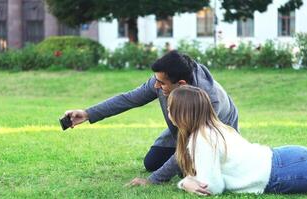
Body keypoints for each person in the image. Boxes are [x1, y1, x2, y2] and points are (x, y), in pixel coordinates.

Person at [63, 50, 239, 186]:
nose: (156, 85)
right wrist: (87, 113)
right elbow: (129, 99)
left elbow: (191, 145)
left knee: (191, 172)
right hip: (182, 129)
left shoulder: (210, 99)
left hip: (215, 136)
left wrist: (153, 181)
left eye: (161, 83)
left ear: (181, 84)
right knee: (152, 162)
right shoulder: (163, 78)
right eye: (156, 80)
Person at [168, 85, 307, 196]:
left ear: (182, 112)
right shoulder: (213, 129)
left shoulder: (203, 139)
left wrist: (186, 183)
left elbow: (213, 188)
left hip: (284, 171)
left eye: (170, 108)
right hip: (286, 159)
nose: (168, 112)